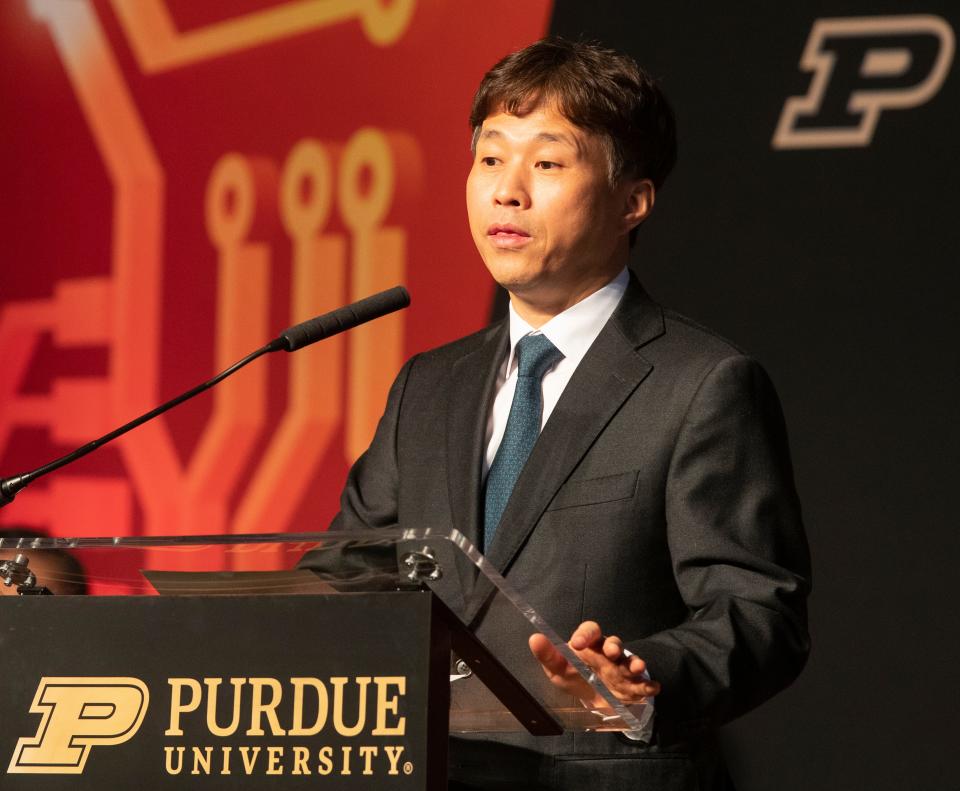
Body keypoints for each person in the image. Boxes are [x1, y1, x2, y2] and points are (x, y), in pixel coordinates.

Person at [320, 37, 811, 789]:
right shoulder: (430, 384)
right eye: (490, 159)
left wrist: (643, 674)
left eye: (546, 163)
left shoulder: (701, 383)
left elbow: (758, 613)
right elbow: (346, 574)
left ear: (632, 201)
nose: (506, 191)